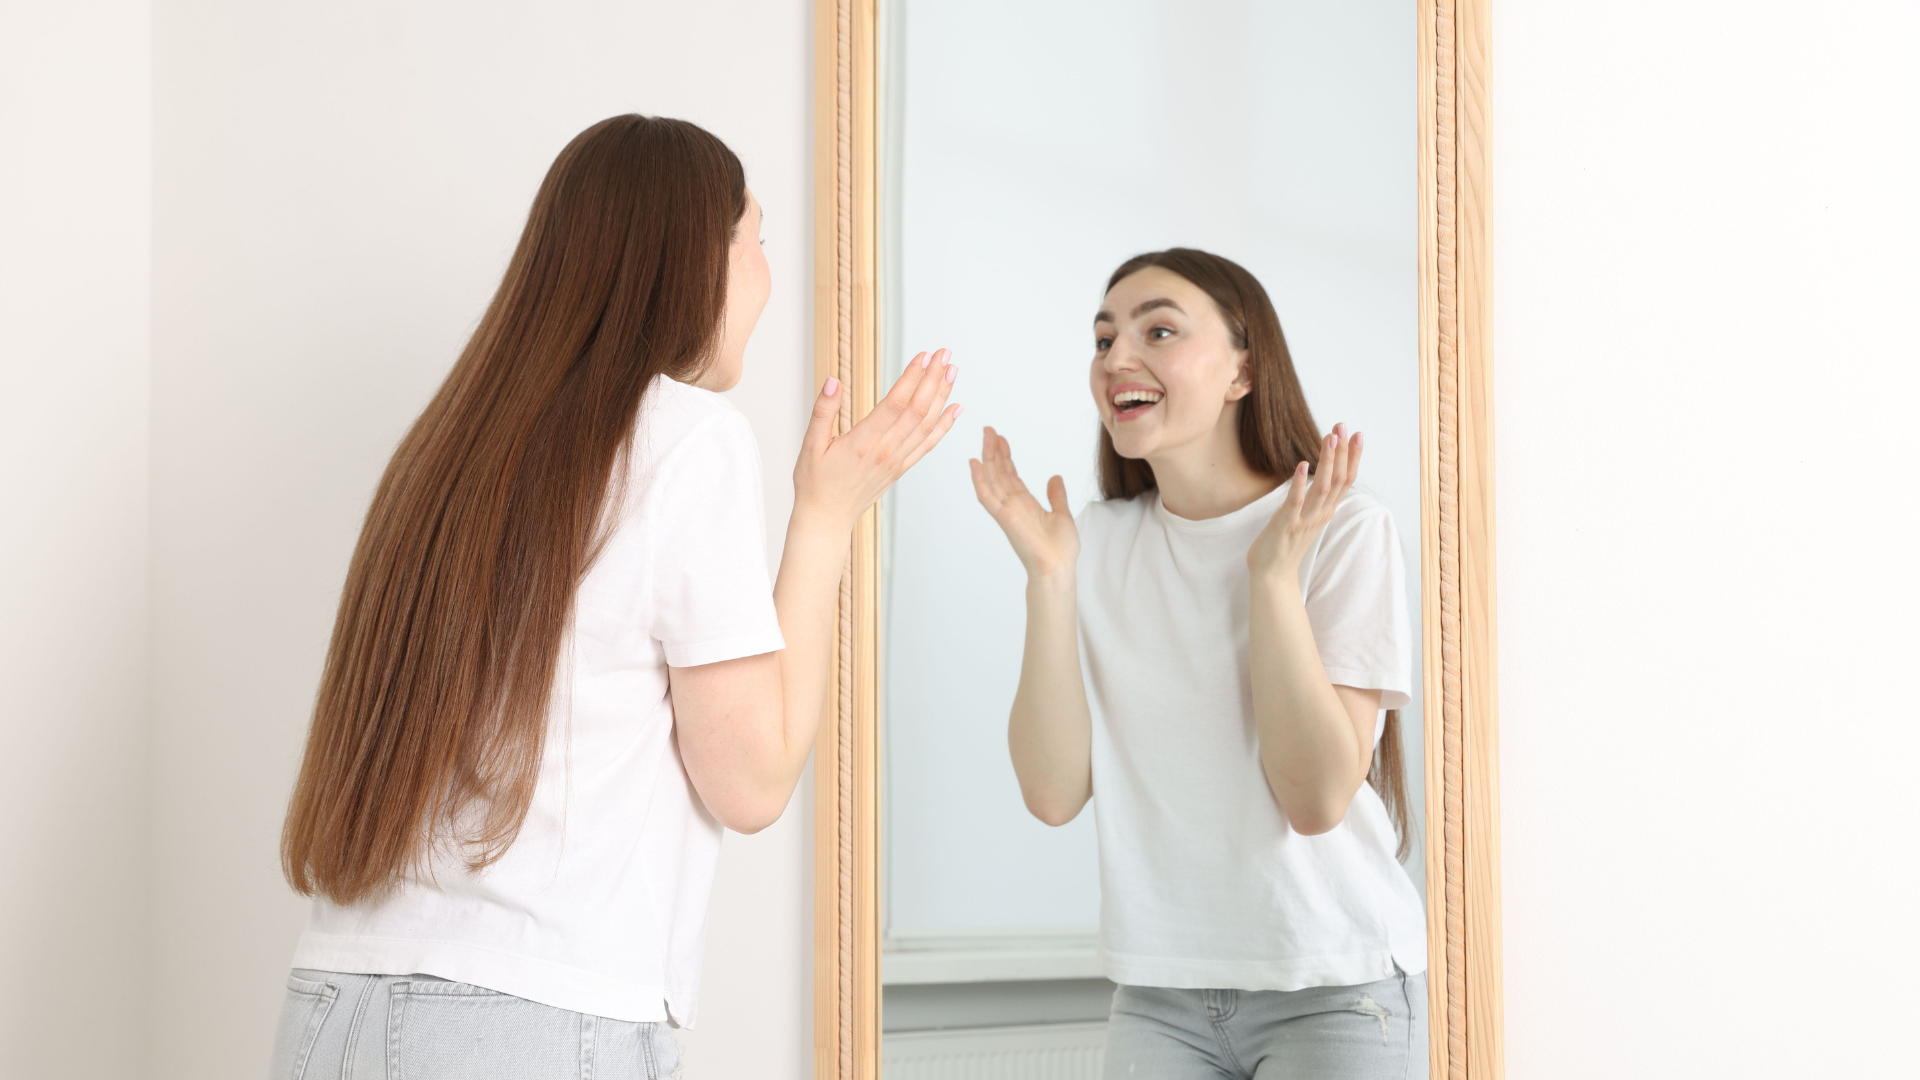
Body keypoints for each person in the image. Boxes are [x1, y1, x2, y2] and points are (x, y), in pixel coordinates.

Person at [269, 114, 959, 1079]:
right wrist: (826, 516)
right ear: (696, 261)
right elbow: (751, 781)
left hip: (330, 1003)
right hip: (534, 1020)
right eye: (758, 240)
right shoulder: (687, 438)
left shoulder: (443, 455)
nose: (768, 275)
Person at [969, 248, 1425, 1079]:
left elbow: (1318, 795)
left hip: (1332, 985)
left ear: (1242, 372)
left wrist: (1273, 578)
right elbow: (1052, 792)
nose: (1117, 358)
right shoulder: (1095, 545)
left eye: (1159, 330)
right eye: (1103, 339)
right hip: (1159, 992)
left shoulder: (1344, 529)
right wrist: (1050, 577)